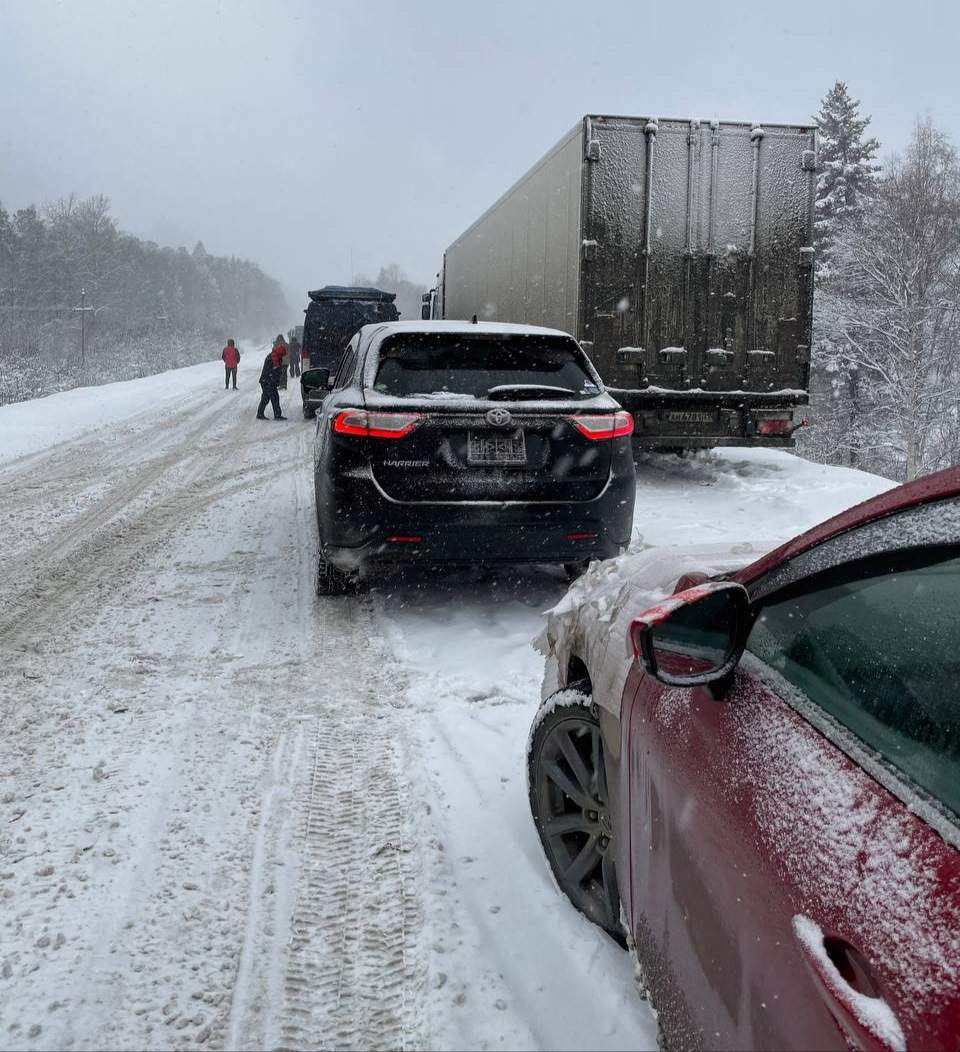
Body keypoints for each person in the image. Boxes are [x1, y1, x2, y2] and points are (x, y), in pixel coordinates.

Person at [256, 342, 287, 420]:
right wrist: (274, 381)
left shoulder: (275, 356)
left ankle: (260, 414)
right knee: (273, 398)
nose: (282, 357)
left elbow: (276, 371)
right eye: (282, 355)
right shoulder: (273, 358)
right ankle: (276, 415)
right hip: (267, 381)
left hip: (267, 381)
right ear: (280, 353)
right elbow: (272, 372)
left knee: (266, 397)